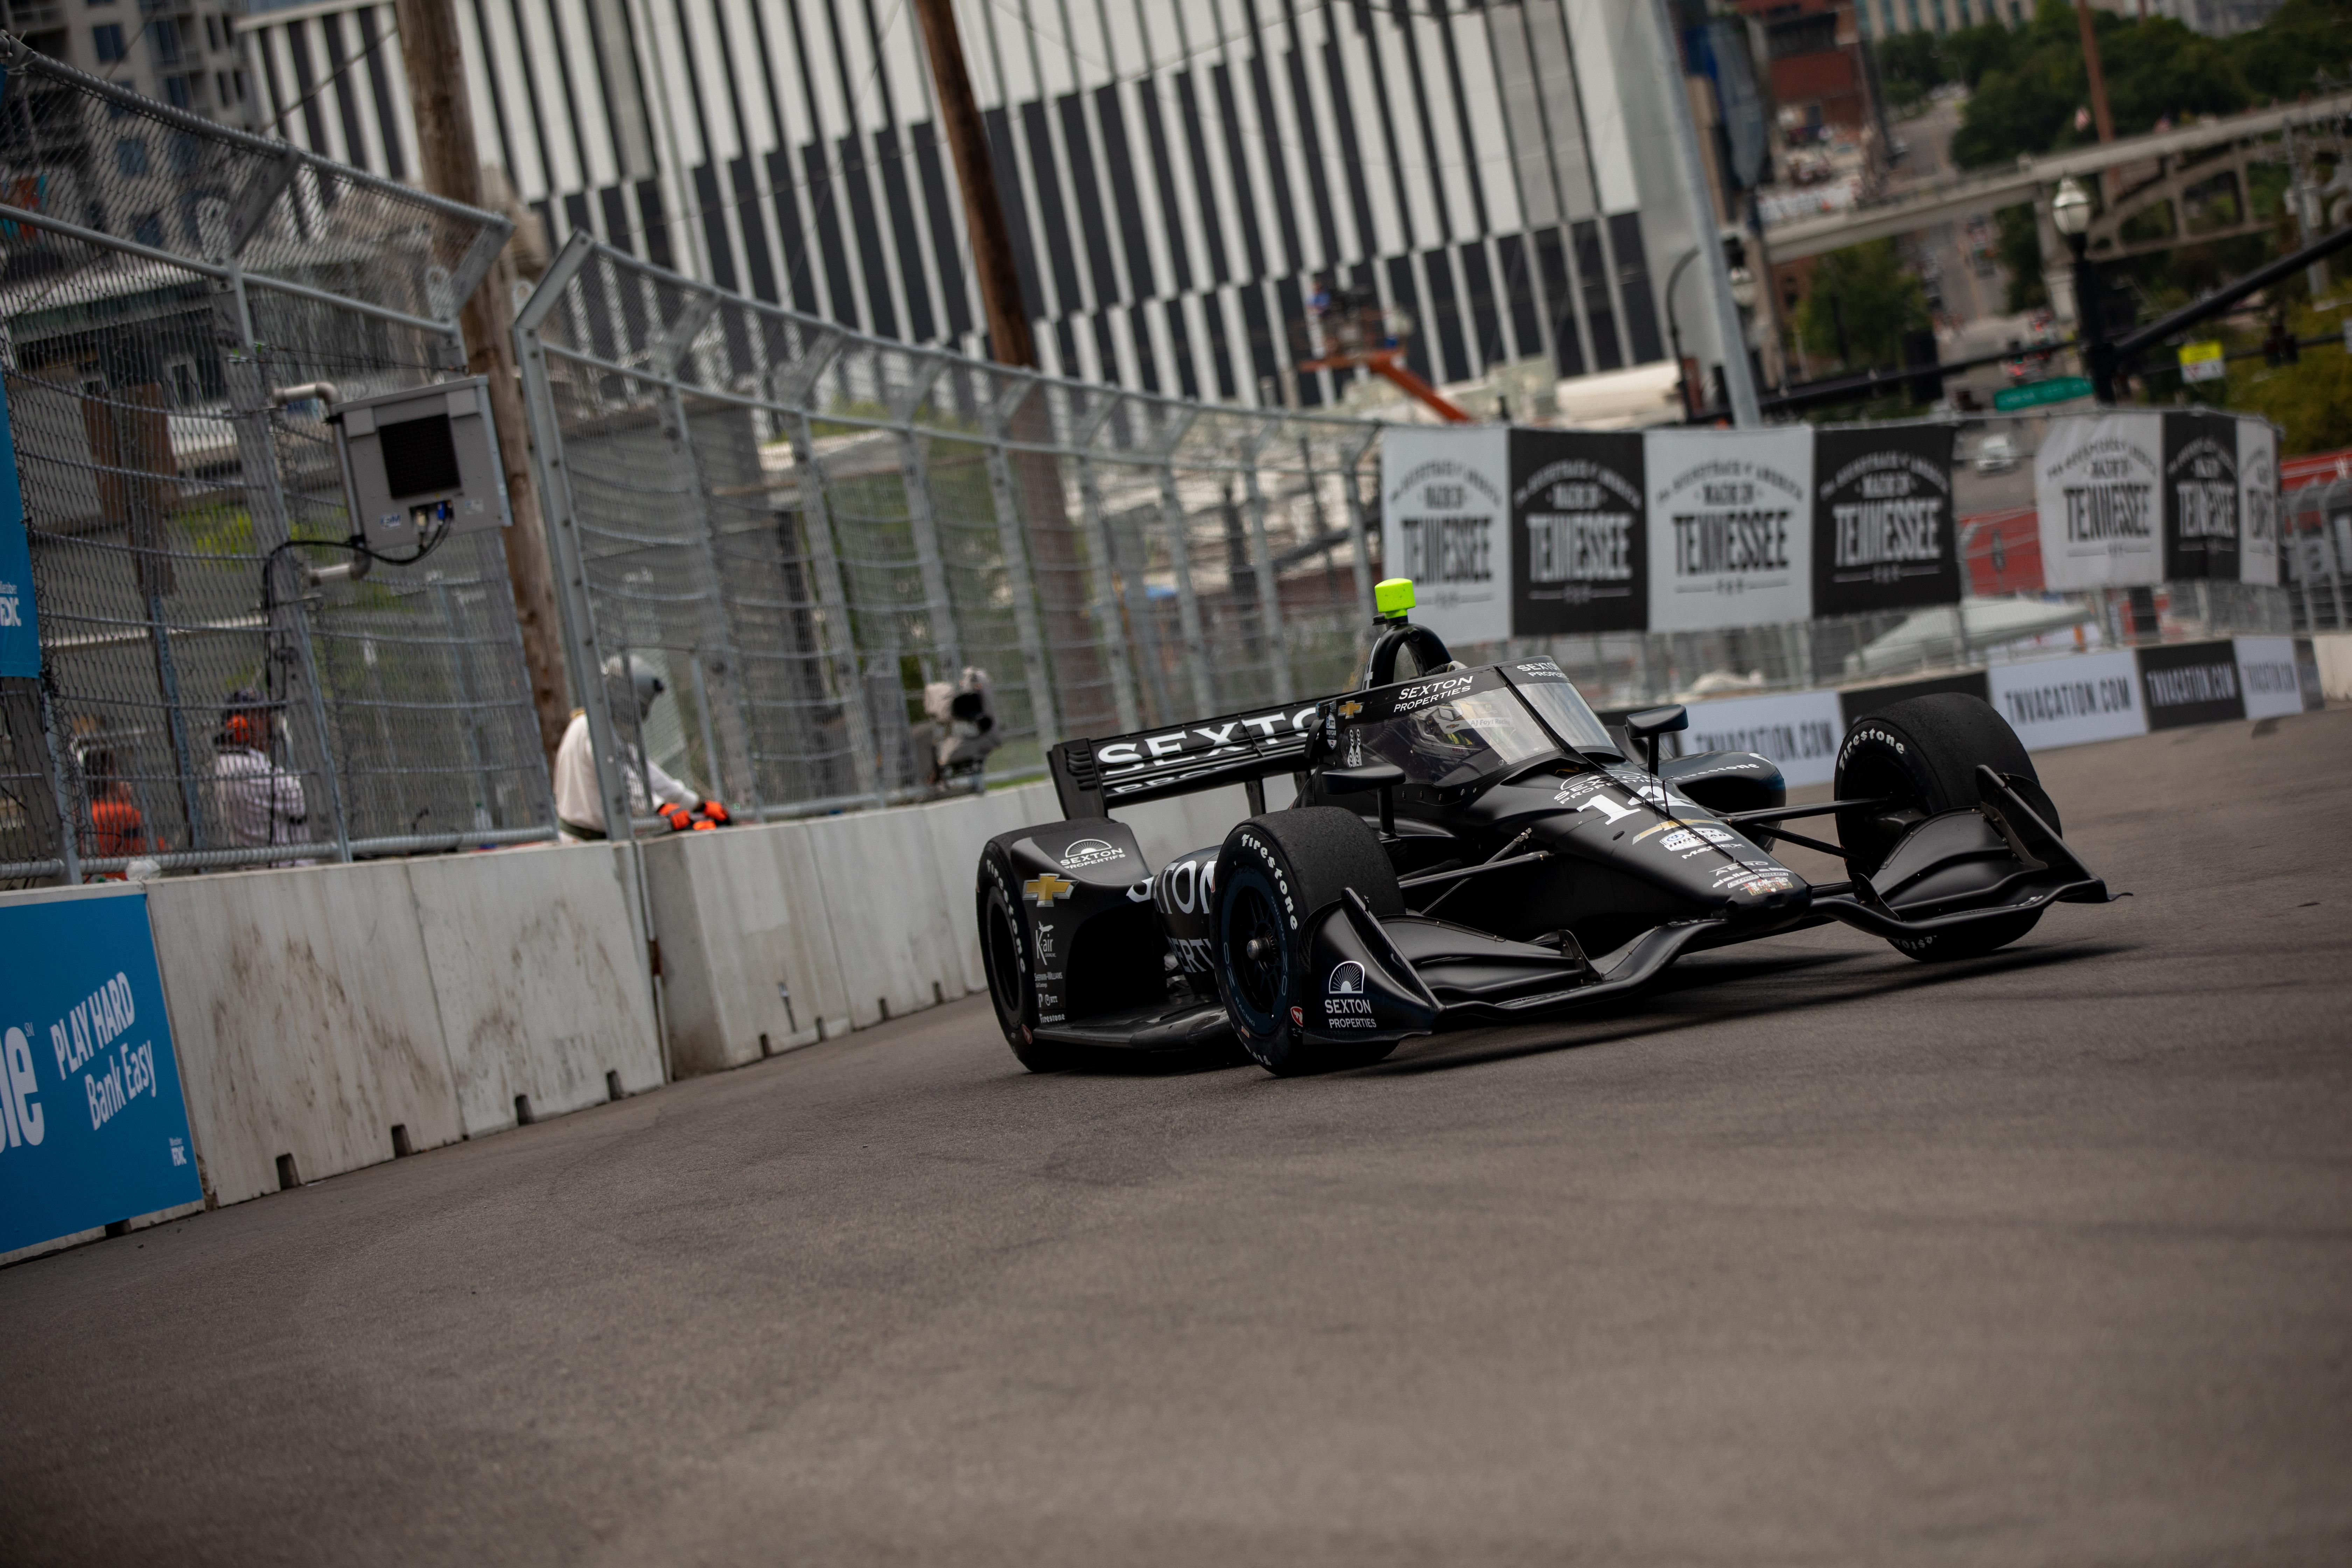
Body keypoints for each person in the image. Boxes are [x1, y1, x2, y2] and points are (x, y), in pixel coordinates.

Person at [553, 654, 727, 840]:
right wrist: (658, 807)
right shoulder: (593, 728)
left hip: (594, 843)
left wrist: (698, 805)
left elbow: (646, 773)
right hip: (583, 845)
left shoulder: (601, 728)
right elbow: (622, 779)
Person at [212, 689, 310, 862]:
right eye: (259, 715)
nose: (269, 722)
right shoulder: (238, 767)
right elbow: (305, 798)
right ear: (238, 724)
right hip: (280, 869)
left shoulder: (241, 761)